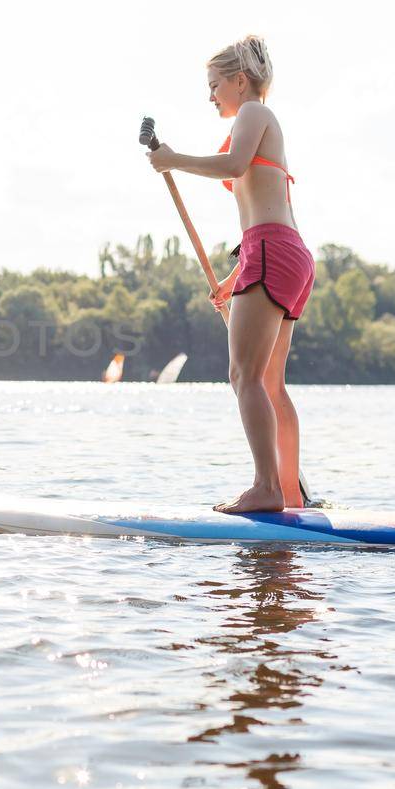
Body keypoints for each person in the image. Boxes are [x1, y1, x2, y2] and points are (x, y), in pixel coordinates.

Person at [144, 36, 314, 512]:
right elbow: (266, 207)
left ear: (241, 81)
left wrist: (174, 159)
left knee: (245, 376)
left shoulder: (254, 113)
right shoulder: (255, 123)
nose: (211, 95)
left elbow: (235, 166)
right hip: (281, 251)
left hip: (272, 251)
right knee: (270, 384)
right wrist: (233, 277)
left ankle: (267, 489)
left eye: (215, 84)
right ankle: (291, 493)